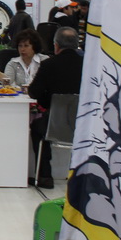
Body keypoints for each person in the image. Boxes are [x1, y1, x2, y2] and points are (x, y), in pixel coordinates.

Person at [27, 26, 83, 189]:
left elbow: (34, 92)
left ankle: (44, 176)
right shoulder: (88, 65)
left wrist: (46, 102)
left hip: (55, 124)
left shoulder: (48, 65)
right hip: (83, 125)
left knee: (37, 128)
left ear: (56, 45)